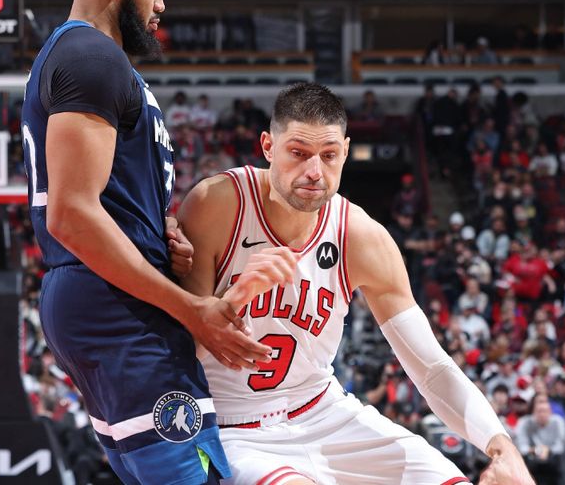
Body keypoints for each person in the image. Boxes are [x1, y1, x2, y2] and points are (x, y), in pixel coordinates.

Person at [21, 0, 271, 485]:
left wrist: (159, 236)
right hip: (115, 306)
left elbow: (102, 201)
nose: (162, 4)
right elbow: (72, 214)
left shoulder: (91, 60)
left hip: (105, 296)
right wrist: (193, 311)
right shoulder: (91, 58)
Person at [177, 83, 533, 484]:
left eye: (329, 156)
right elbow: (177, 350)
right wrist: (235, 297)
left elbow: (431, 368)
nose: (315, 171)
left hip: (323, 413)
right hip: (232, 425)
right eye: (298, 153)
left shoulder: (362, 236)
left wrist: (502, 446)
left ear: (345, 152)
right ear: (268, 146)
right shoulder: (217, 203)